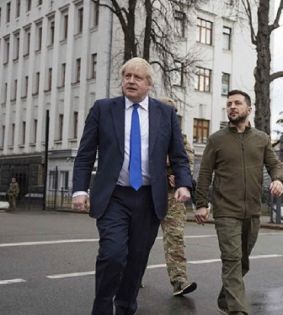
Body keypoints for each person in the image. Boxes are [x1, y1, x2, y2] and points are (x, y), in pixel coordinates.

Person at [72, 57, 193, 315]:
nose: (131, 81)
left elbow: (179, 155)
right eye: (127, 76)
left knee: (136, 262)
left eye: (137, 77)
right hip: (114, 196)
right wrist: (80, 189)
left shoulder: (166, 114)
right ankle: (102, 308)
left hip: (149, 199)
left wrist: (184, 183)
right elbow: (85, 153)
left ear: (149, 84)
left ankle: (125, 308)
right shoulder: (103, 109)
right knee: (113, 254)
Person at [194, 89, 283, 315]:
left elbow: (275, 164)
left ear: (249, 109)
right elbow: (205, 173)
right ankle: (237, 310)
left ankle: (226, 298)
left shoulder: (261, 139)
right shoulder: (217, 139)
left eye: (237, 103)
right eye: (229, 103)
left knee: (242, 261)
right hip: (226, 211)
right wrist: (202, 204)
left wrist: (278, 180)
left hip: (252, 210)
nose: (232, 107)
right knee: (232, 258)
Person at [158, 97, 197, 296]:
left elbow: (187, 160)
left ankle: (179, 281)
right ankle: (132, 276)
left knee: (175, 238)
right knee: (138, 239)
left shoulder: (180, 138)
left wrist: (179, 176)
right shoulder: (145, 134)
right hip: (146, 195)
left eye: (172, 112)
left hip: (172, 196)